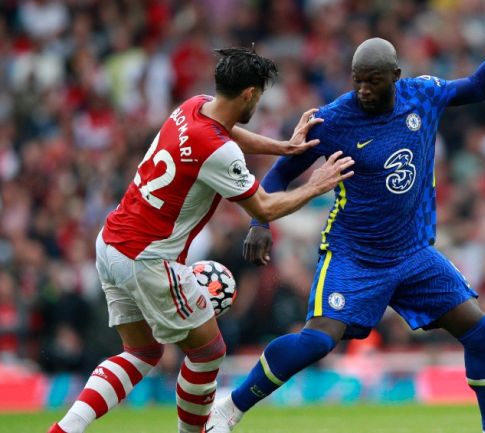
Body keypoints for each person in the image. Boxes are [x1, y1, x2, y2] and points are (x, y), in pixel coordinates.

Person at [206, 3, 485, 433]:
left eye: (373, 80)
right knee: (316, 341)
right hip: (354, 255)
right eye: (357, 80)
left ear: (395, 76)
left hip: (413, 253)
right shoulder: (333, 119)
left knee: (479, 328)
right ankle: (228, 409)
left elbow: (479, 86)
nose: (363, 89)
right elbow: (281, 171)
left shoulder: (423, 94)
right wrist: (259, 223)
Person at [48, 47, 355, 433]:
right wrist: (316, 185)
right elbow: (264, 208)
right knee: (209, 350)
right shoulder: (218, 150)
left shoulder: (193, 107)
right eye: (258, 96)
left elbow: (228, 133)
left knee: (142, 352)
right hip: (148, 258)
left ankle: (64, 429)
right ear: (249, 94)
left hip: (111, 244)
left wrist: (283, 147)